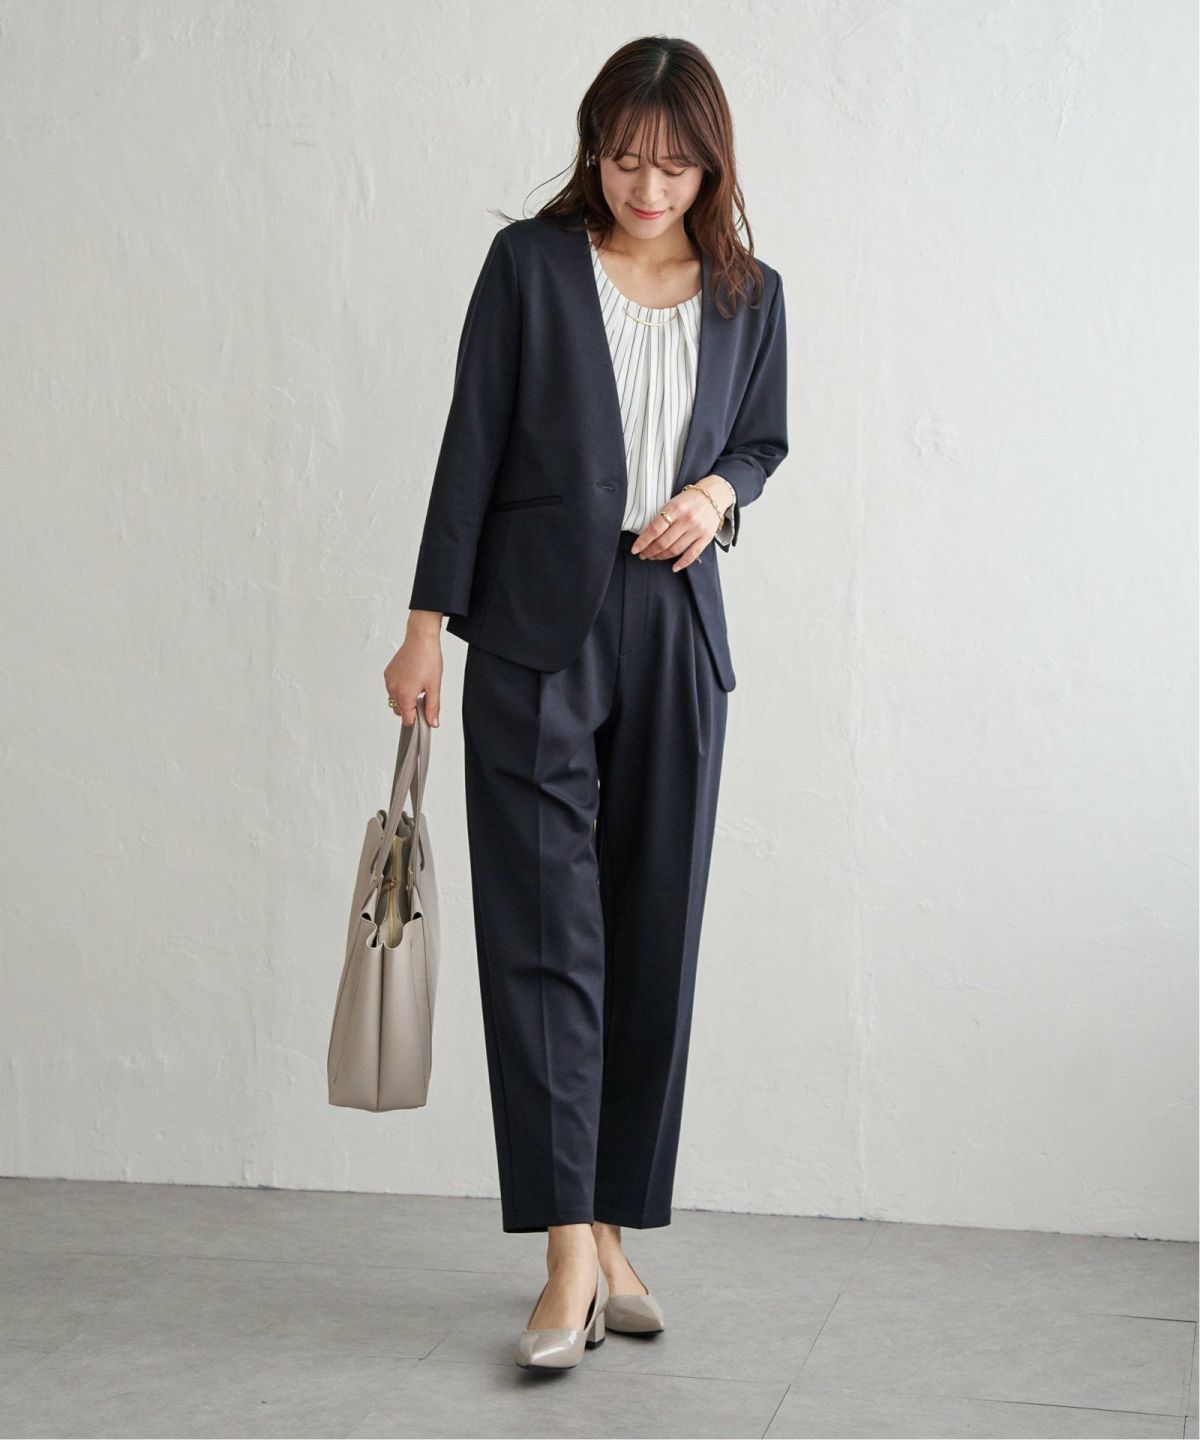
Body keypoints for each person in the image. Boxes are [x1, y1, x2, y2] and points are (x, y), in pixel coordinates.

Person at [383, 34, 788, 1371]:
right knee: (543, 934)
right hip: (531, 633)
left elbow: (763, 438)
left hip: (675, 628)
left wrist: (716, 494)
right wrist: (425, 629)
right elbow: (471, 443)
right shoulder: (530, 267)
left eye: (675, 165)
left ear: (710, 166)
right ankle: (566, 1252)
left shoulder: (750, 294)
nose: (647, 187)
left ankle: (615, 1228)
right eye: (625, 158)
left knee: (652, 930)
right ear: (593, 148)